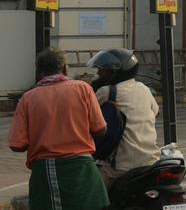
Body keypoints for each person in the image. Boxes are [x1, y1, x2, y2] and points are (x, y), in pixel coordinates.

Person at [7, 48, 109, 210]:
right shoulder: (83, 88)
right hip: (83, 168)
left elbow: (16, 145)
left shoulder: (28, 98)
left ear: (39, 72)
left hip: (48, 171)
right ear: (65, 69)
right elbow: (101, 129)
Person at [86, 49, 160, 187]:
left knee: (87, 194)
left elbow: (86, 115)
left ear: (117, 72)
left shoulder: (107, 91)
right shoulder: (143, 88)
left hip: (119, 167)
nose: (99, 74)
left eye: (104, 71)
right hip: (151, 162)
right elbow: (155, 112)